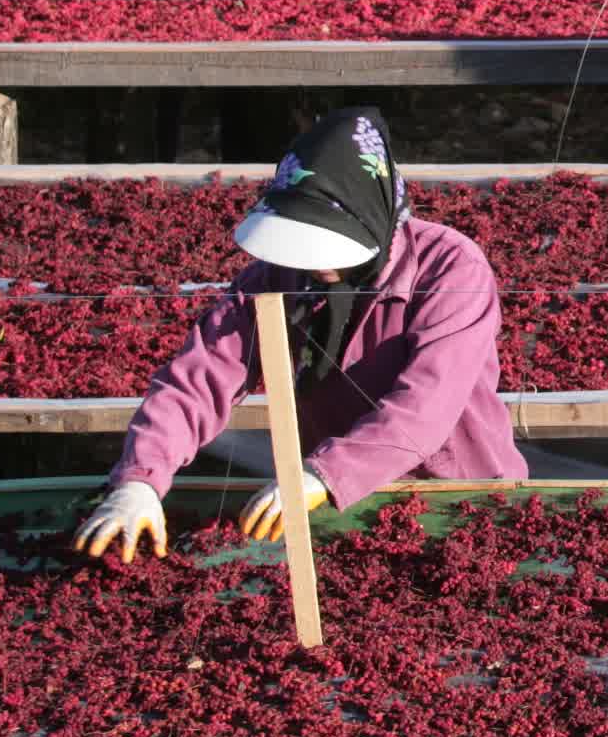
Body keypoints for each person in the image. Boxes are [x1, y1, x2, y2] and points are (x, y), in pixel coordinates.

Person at [74, 107, 527, 560]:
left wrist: (324, 474)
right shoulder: (275, 277)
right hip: (331, 511)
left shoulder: (449, 267)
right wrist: (139, 480)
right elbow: (199, 378)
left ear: (371, 214)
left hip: (459, 499)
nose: (313, 261)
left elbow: (427, 403)